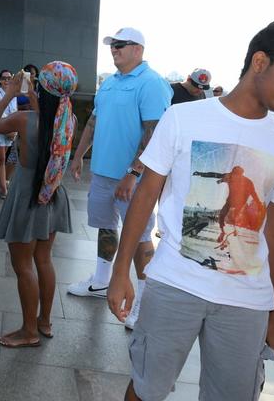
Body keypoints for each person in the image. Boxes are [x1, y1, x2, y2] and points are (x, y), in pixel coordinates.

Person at [108, 19, 274, 401]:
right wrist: (120, 271)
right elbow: (145, 196)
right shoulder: (184, 118)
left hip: (247, 302)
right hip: (174, 284)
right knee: (146, 387)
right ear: (260, 61)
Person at [68, 27, 171, 330]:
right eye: (113, 45)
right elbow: (94, 121)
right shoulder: (110, 83)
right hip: (102, 171)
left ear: (138, 49)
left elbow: (156, 134)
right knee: (105, 226)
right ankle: (101, 281)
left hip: (134, 178)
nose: (115, 49)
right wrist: (78, 155)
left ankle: (146, 304)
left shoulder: (152, 83)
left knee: (140, 237)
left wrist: (134, 172)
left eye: (121, 45)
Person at [0, 63, 77, 347]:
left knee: (23, 265)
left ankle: (28, 331)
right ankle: (44, 321)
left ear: (41, 89)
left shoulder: (23, 119)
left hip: (28, 192)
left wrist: (10, 91)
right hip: (52, 193)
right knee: (43, 259)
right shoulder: (68, 119)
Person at [0, 69, 17, 198]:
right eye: (4, 78)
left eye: (9, 78)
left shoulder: (14, 96)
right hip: (0, 129)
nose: (7, 80)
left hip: (10, 130)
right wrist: (9, 128)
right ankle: (4, 189)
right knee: (1, 159)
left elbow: (14, 113)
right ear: (0, 80)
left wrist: (14, 129)